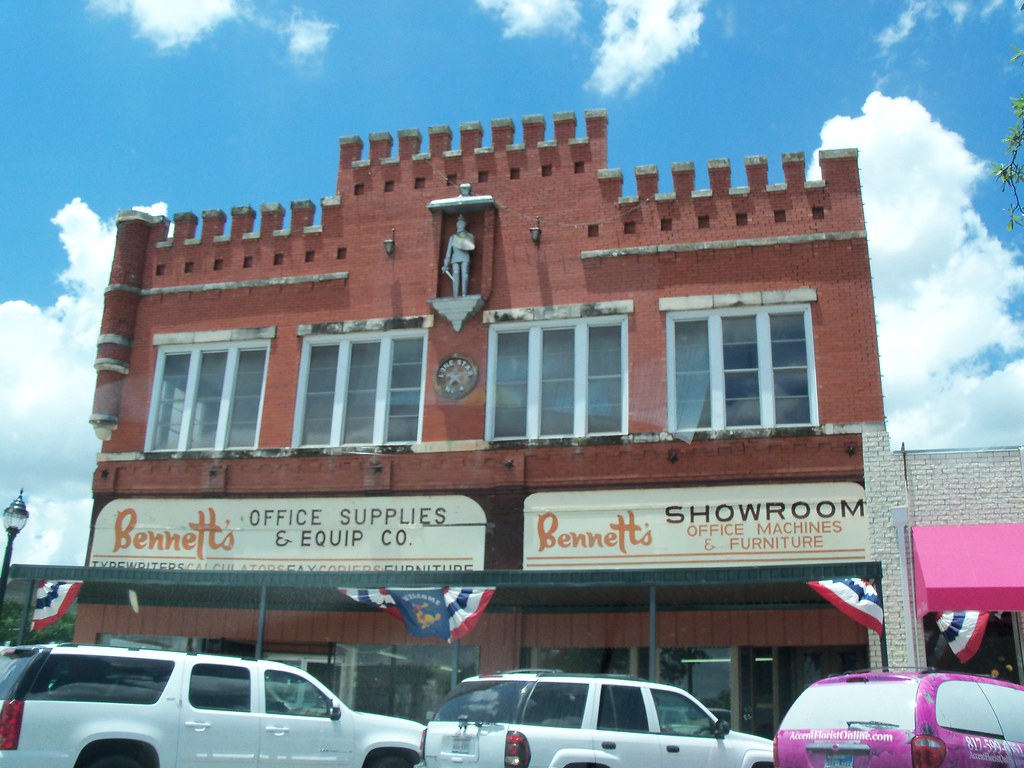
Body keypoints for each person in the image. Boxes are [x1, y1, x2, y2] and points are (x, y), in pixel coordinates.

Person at [442, 215, 475, 297]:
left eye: (461, 222)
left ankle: (464, 294)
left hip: (465, 256)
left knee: (465, 274)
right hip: (455, 257)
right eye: (458, 223)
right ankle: (455, 294)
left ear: (465, 224)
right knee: (456, 273)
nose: (459, 224)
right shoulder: (453, 237)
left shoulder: (469, 236)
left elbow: (471, 247)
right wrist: (445, 264)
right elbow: (449, 252)